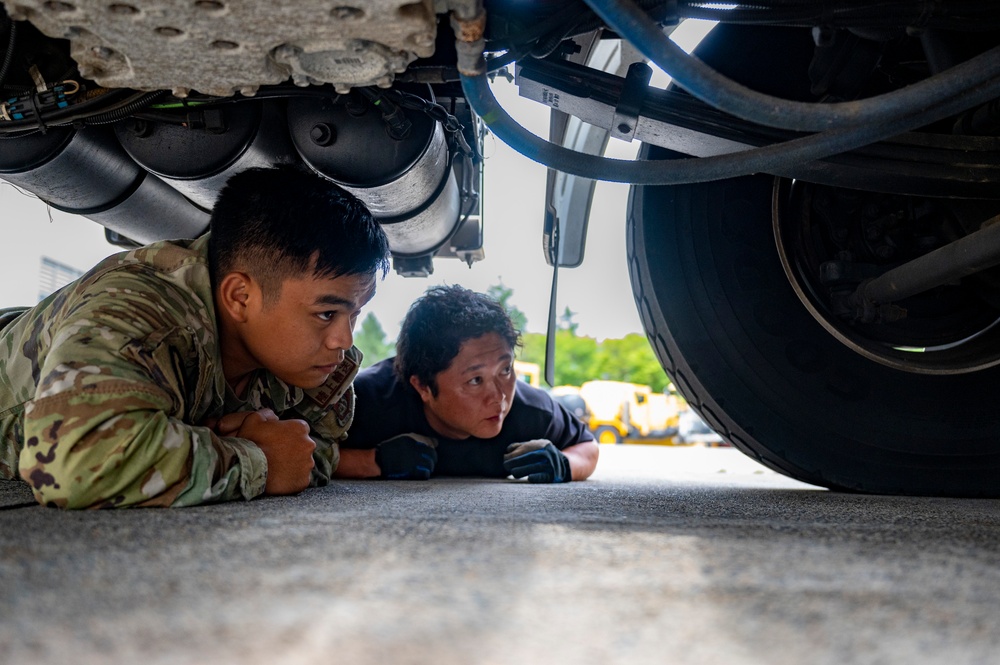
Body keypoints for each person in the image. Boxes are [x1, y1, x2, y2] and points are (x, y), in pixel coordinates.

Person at [0, 166, 390, 508]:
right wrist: (258, 461)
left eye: (355, 313)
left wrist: (226, 449)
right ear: (241, 297)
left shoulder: (315, 361)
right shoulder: (139, 311)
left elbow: (311, 450)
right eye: (327, 313)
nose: (343, 339)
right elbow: (76, 463)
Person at [336, 285, 599, 482]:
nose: (499, 397)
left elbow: (587, 446)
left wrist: (564, 464)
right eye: (475, 380)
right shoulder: (367, 400)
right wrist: (372, 461)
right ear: (423, 387)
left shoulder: (530, 409)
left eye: (505, 369)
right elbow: (305, 453)